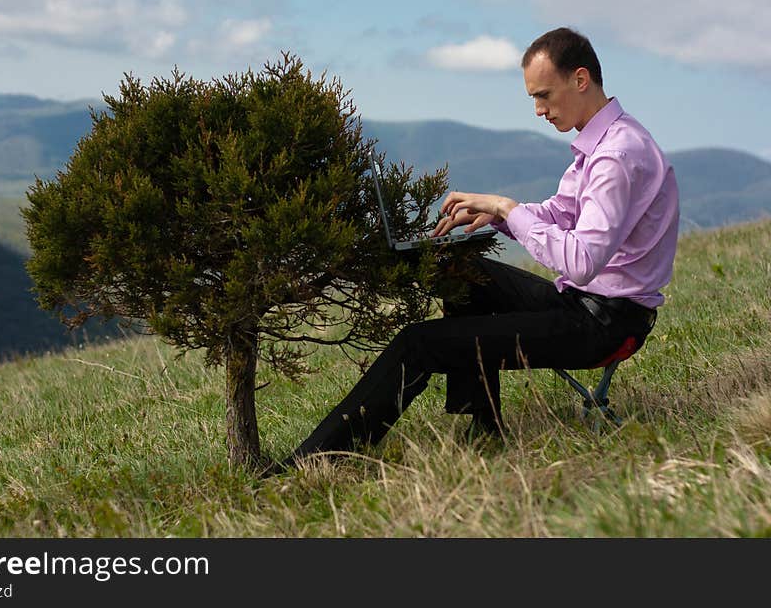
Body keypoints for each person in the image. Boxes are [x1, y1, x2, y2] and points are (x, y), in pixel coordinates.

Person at [281, 27, 679, 466]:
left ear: (580, 80)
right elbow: (564, 212)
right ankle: (484, 426)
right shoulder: (603, 143)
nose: (539, 110)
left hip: (605, 325)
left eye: (544, 95)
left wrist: (508, 208)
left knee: (419, 343)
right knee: (461, 271)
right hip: (585, 306)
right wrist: (499, 218)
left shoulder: (615, 157)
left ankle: (318, 460)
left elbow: (581, 261)